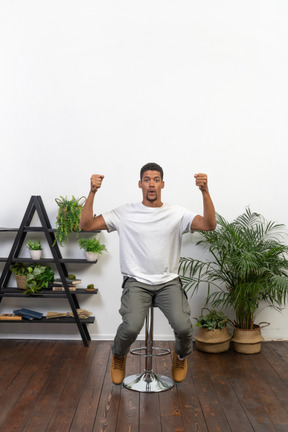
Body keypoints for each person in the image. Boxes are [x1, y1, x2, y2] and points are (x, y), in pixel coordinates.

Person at [80, 162, 216, 385]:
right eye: (146, 180)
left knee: (184, 328)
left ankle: (180, 356)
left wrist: (205, 191)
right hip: (137, 282)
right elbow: (86, 225)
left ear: (162, 184)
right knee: (131, 327)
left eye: (155, 180)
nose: (151, 184)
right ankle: (118, 355)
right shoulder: (124, 213)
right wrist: (92, 191)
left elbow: (210, 224)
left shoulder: (176, 213)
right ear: (140, 184)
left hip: (168, 282)